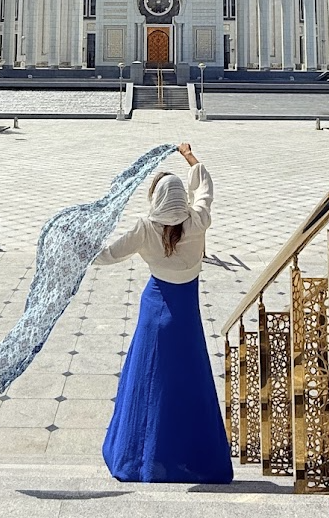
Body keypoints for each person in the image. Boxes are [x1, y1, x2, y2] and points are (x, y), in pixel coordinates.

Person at [93, 142, 233, 484]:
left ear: (155, 201)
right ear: (179, 201)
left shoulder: (145, 228)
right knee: (188, 384)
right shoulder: (198, 222)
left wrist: (78, 250)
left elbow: (109, 254)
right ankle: (191, 459)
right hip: (186, 315)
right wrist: (188, 156)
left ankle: (140, 458)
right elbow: (204, 186)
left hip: (155, 309)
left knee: (148, 382)